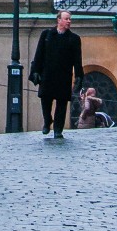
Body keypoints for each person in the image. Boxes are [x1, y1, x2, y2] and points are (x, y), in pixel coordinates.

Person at [30, 10, 84, 139]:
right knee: (45, 100)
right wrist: (35, 71)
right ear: (59, 20)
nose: (69, 21)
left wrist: (79, 76)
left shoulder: (74, 38)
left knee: (62, 103)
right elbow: (39, 54)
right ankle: (47, 121)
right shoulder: (47, 35)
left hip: (64, 76)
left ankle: (58, 129)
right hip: (47, 74)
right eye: (66, 19)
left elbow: (78, 60)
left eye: (70, 19)